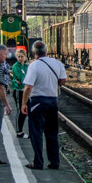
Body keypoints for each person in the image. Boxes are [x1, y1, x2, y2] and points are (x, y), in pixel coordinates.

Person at [21, 40, 66, 170]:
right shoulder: (57, 63)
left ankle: (38, 163)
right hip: (52, 101)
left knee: (36, 133)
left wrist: (24, 103)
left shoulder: (34, 66)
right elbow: (63, 80)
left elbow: (28, 87)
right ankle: (54, 162)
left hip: (37, 102)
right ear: (46, 51)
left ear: (34, 53)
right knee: (52, 133)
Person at [10, 47, 29, 138]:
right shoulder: (15, 66)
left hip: (27, 91)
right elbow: (20, 78)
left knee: (26, 111)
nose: (20, 58)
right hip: (18, 90)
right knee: (20, 110)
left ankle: (22, 130)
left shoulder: (27, 66)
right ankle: (19, 131)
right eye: (19, 56)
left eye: (22, 56)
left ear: (25, 57)